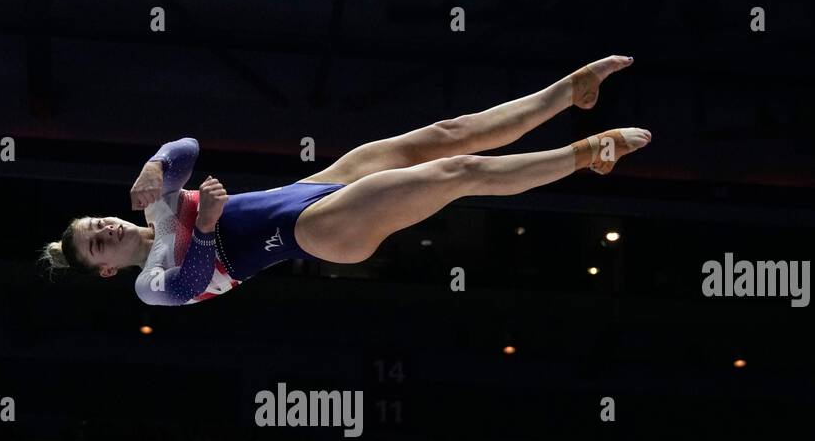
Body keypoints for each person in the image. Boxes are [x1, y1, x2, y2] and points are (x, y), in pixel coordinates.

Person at [41, 57, 648, 304]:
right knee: (455, 174)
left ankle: (569, 92)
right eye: (98, 242)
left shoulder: (154, 208)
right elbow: (194, 280)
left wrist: (156, 165)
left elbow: (187, 147)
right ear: (105, 268)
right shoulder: (149, 283)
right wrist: (202, 227)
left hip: (314, 188)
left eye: (95, 223)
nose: (104, 229)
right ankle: (583, 156)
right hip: (317, 233)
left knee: (446, 134)